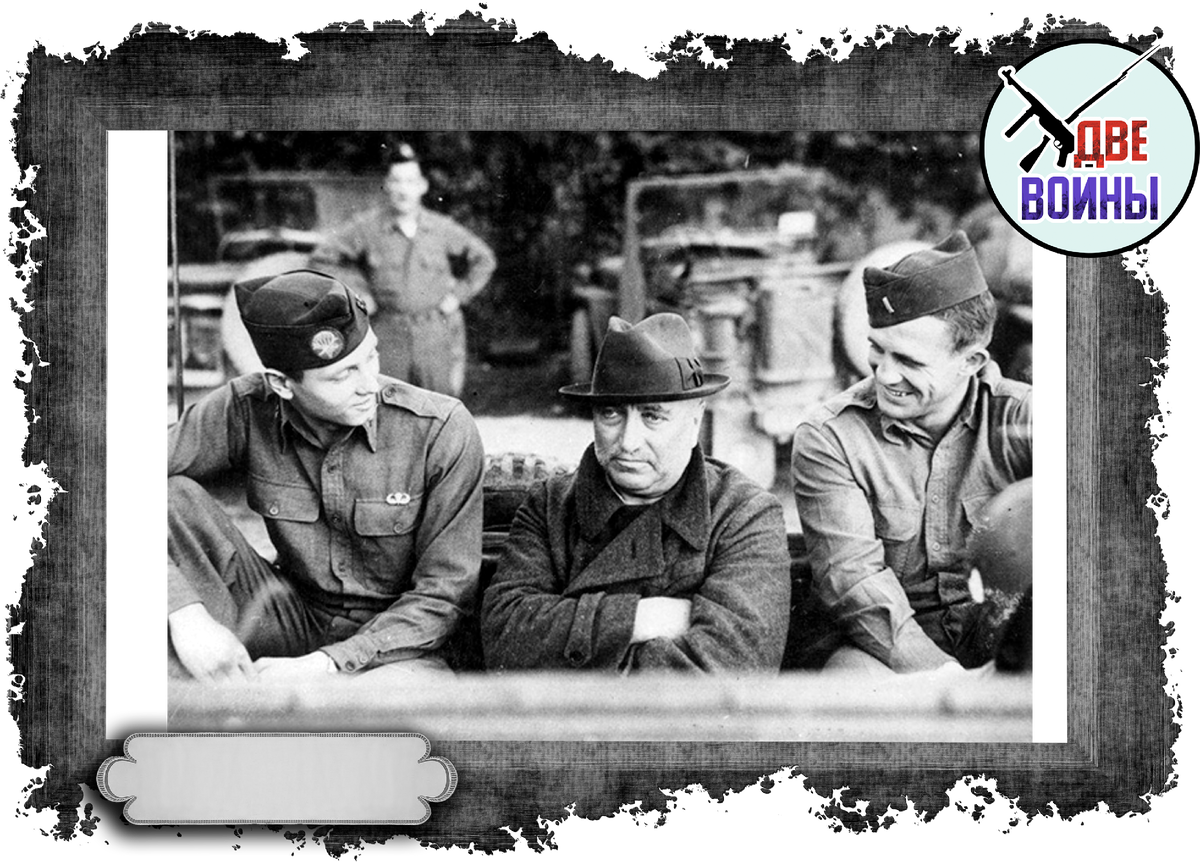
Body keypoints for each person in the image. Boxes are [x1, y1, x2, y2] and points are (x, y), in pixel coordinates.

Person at [165, 269, 484, 684]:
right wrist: (184, 612)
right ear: (281, 384)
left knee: (391, 702)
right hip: (287, 615)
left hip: (394, 645)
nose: (369, 385)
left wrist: (326, 664)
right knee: (174, 496)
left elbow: (444, 595)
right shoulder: (246, 407)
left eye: (371, 356)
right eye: (343, 375)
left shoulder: (439, 429)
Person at [481, 313, 791, 673]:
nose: (628, 442)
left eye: (652, 416)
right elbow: (504, 640)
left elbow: (731, 669)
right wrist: (642, 617)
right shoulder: (549, 506)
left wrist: (577, 649)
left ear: (695, 420)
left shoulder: (742, 514)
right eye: (611, 414)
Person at [791, 230, 1035, 674]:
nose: (885, 375)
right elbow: (855, 583)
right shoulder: (831, 437)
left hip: (1005, 645)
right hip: (887, 655)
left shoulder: (1027, 420)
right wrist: (947, 682)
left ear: (972, 362)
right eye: (877, 350)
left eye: (909, 361)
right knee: (852, 680)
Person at [308, 143, 497, 398]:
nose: (403, 189)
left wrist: (458, 295)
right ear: (387, 185)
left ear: (423, 186)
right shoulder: (367, 228)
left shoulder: (441, 228)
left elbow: (484, 259)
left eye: (410, 181)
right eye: (396, 181)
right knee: (388, 403)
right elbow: (322, 259)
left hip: (433, 330)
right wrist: (360, 294)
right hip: (387, 331)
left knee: (437, 406)